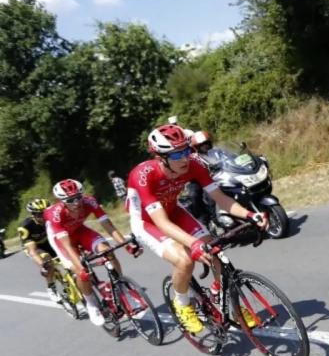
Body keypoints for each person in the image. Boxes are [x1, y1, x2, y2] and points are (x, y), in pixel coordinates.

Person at [125, 124, 269, 334]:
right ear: (160, 157)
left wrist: (249, 214)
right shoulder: (143, 175)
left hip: (174, 210)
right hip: (148, 221)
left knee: (214, 251)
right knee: (185, 260)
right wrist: (193, 244)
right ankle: (182, 304)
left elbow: (220, 198)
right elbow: (162, 223)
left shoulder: (193, 164)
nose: (184, 158)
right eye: (176, 155)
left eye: (186, 150)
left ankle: (224, 300)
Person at [44, 179, 142, 326]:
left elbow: (108, 226)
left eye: (78, 197)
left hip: (79, 230)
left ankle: (122, 289)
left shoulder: (89, 202)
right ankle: (91, 304)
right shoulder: (55, 214)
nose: (76, 203)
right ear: (61, 201)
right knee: (81, 272)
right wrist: (79, 268)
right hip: (61, 239)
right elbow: (67, 246)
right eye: (70, 200)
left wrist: (125, 246)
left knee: (107, 251)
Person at [18, 198, 60, 302]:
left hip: (48, 242)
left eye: (46, 213)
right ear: (33, 215)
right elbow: (33, 251)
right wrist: (43, 265)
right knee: (47, 261)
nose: (44, 217)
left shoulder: (52, 219)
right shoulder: (26, 226)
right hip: (34, 246)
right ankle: (51, 287)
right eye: (40, 215)